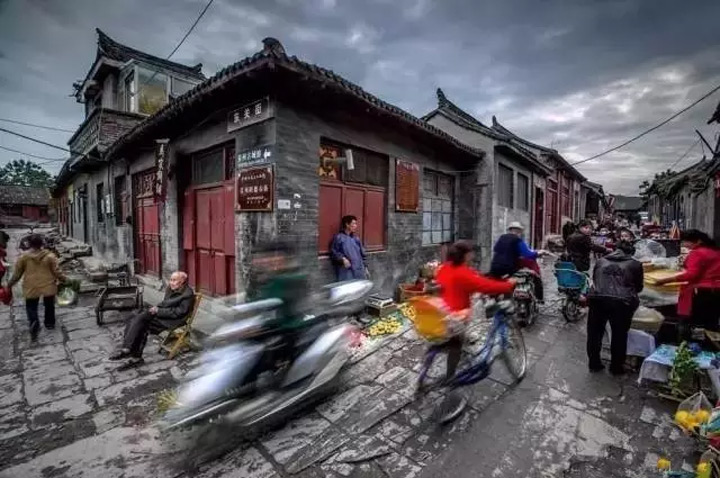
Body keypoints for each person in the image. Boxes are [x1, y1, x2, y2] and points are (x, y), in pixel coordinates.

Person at [436, 241, 516, 381]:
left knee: (460, 337)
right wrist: (508, 285)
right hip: (455, 315)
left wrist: (478, 277)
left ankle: (460, 348)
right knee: (456, 345)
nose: (473, 255)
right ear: (465, 255)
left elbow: (472, 277)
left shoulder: (446, 267)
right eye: (471, 252)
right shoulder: (463, 273)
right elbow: (485, 286)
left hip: (442, 309)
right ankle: (450, 377)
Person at [110, 271, 195, 367]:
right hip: (163, 315)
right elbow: (165, 303)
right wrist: (156, 308)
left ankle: (129, 351)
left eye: (174, 280)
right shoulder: (171, 288)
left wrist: (158, 311)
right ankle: (132, 354)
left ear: (182, 281)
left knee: (141, 322)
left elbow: (179, 312)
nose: (171, 282)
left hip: (172, 320)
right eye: (171, 280)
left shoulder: (187, 294)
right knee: (134, 318)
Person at [586, 241, 644, 375]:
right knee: (619, 335)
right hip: (622, 303)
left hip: (597, 299)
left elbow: (595, 279)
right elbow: (639, 287)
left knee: (594, 333)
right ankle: (616, 367)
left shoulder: (601, 261)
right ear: (631, 253)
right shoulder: (635, 264)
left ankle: (594, 363)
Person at [654, 230, 720, 331]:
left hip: (702, 292)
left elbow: (691, 274)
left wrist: (665, 280)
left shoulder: (697, 253)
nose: (683, 244)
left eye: (685, 241)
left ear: (698, 241)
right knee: (711, 321)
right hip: (716, 291)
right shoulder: (715, 251)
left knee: (696, 323)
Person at [6, 234, 66, 342]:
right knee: (49, 305)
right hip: (48, 285)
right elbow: (56, 271)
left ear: (29, 244)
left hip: (31, 286)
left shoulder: (24, 257)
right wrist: (64, 279)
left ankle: (34, 322)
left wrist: (10, 284)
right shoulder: (50, 256)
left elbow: (17, 274)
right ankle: (49, 323)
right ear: (42, 244)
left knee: (31, 306)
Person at [489, 222, 547, 302]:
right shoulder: (517, 240)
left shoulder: (502, 238)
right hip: (508, 268)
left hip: (495, 267)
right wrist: (538, 253)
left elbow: (496, 249)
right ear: (519, 231)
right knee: (531, 277)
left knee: (496, 287)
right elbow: (528, 254)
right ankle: (538, 298)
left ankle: (496, 301)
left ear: (509, 230)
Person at [331, 215, 367, 281]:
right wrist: (343, 258)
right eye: (354, 223)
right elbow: (334, 252)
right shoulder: (339, 238)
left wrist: (365, 268)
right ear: (347, 224)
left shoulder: (356, 239)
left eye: (356, 224)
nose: (356, 226)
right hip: (347, 271)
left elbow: (363, 255)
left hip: (359, 270)